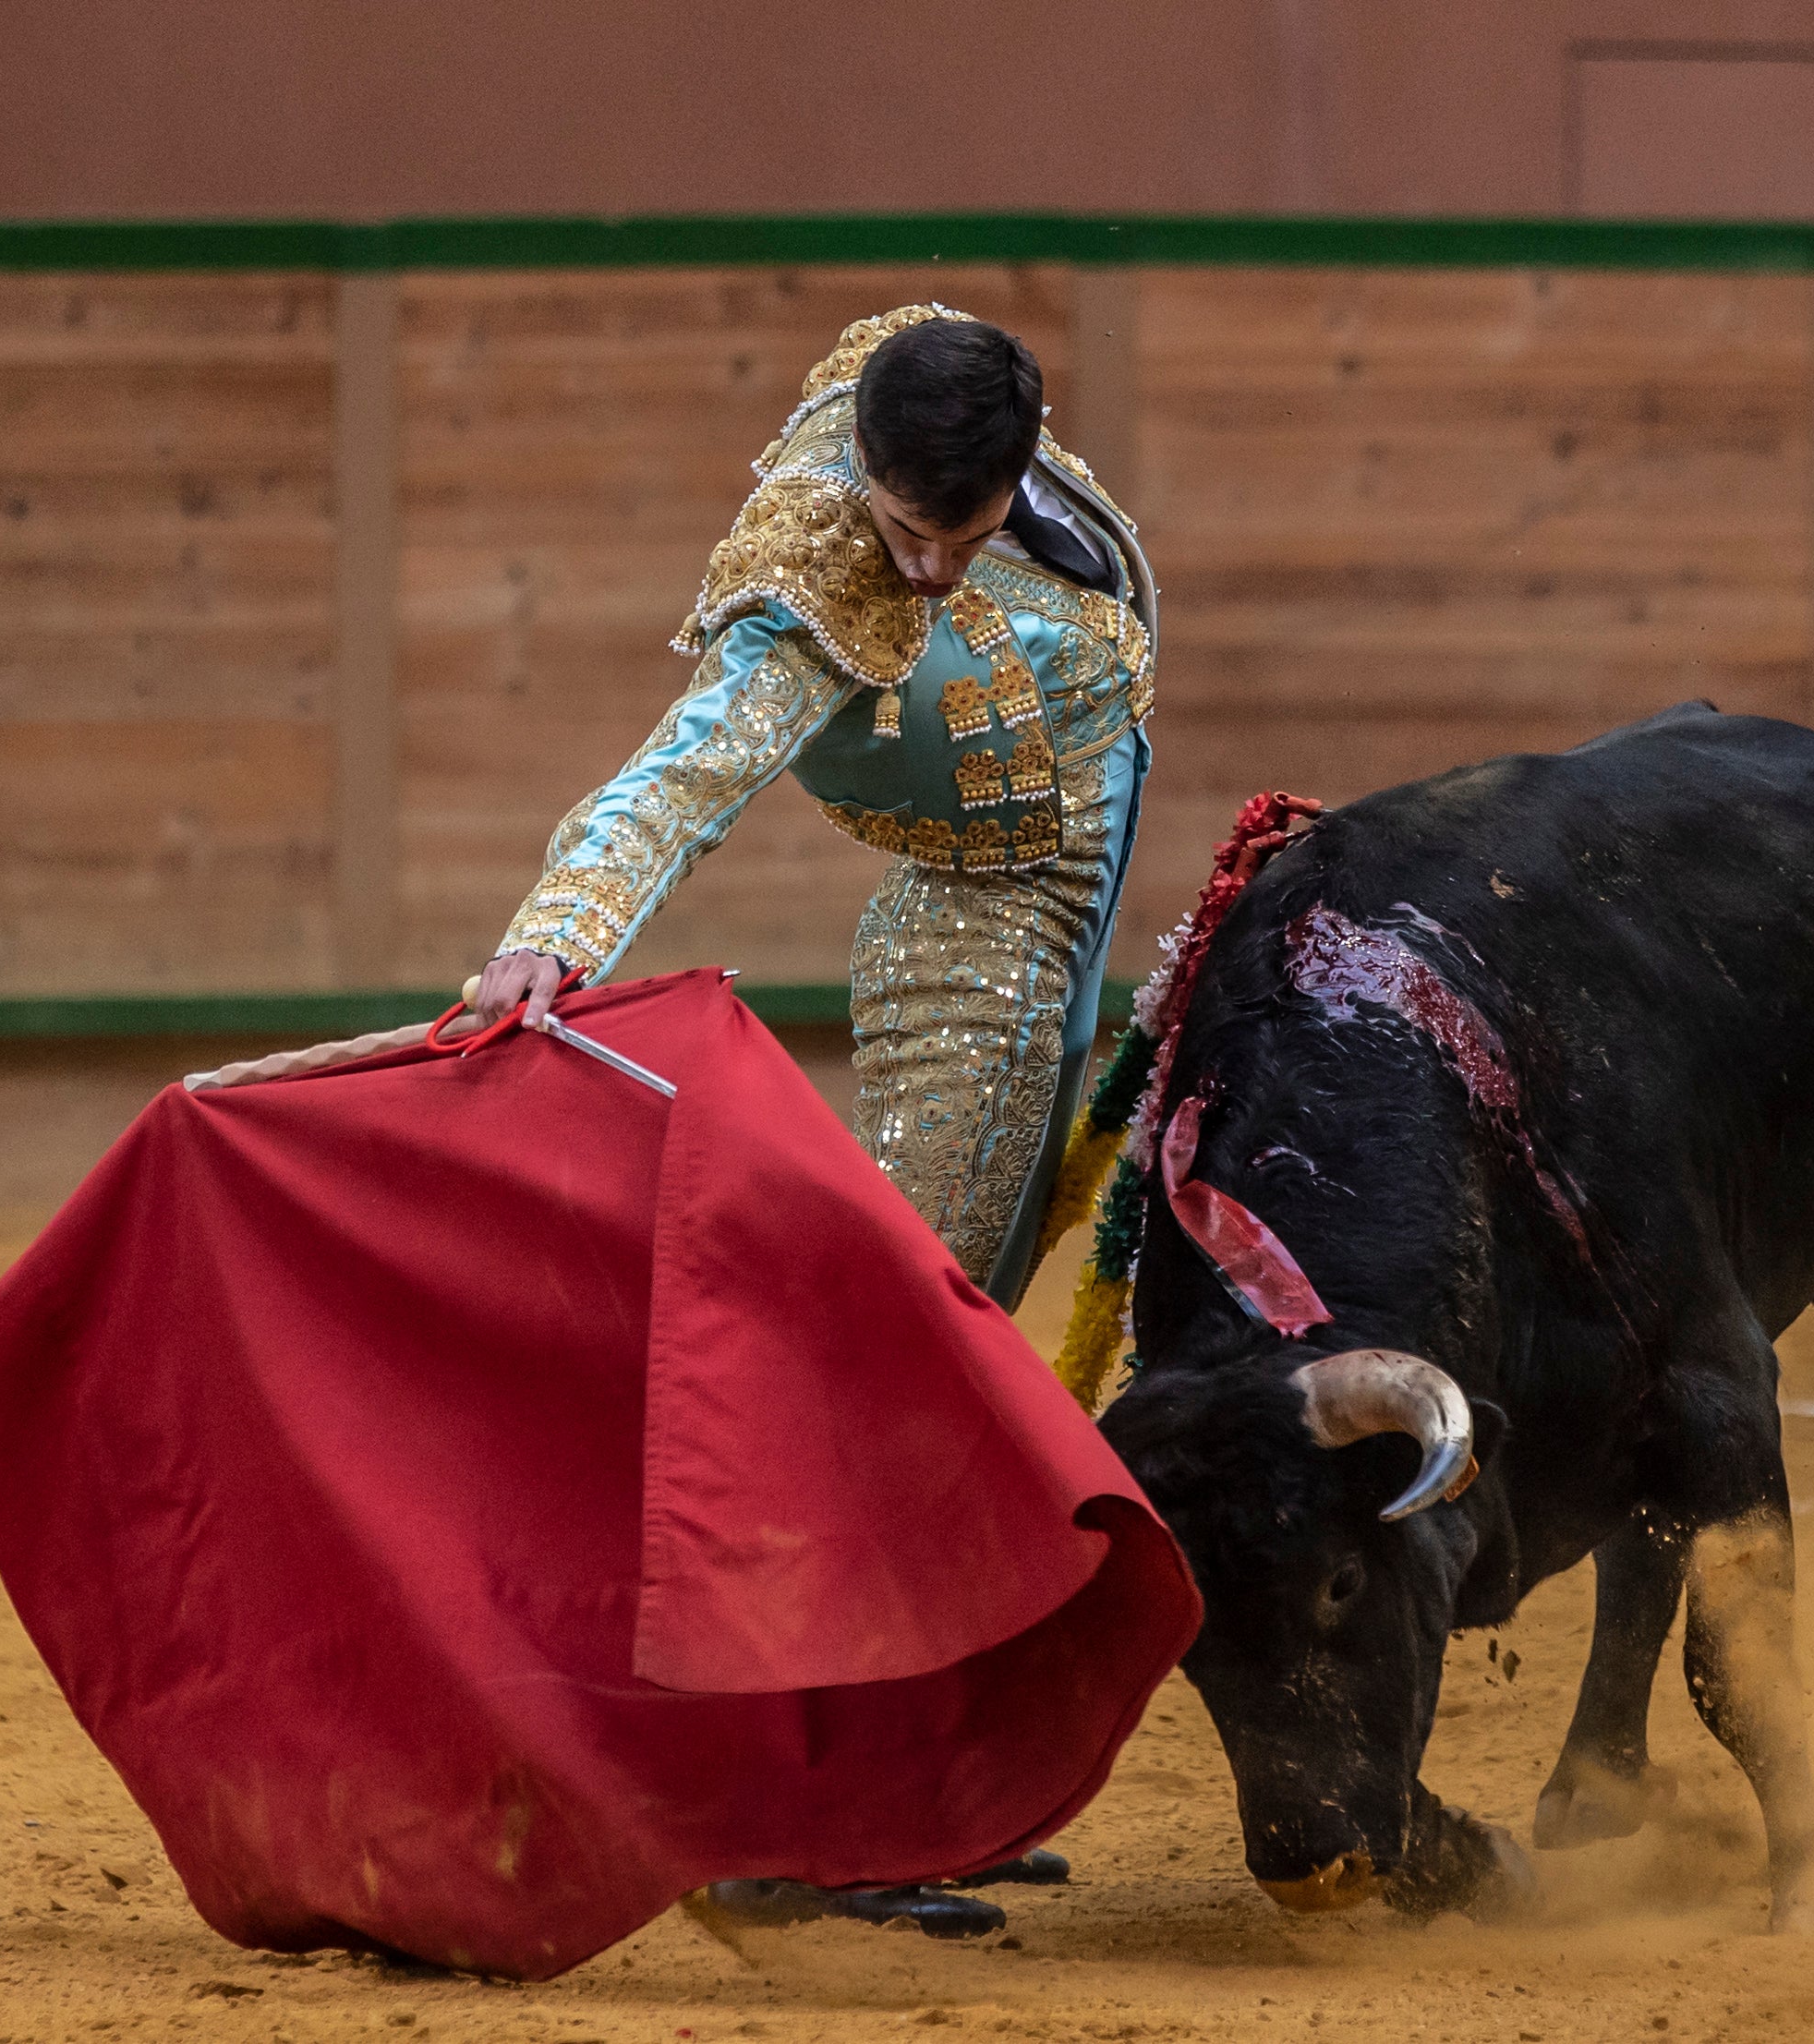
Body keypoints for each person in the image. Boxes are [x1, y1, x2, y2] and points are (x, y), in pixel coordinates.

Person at [471, 304, 1157, 1940]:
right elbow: (678, 774)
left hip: (1060, 924)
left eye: (960, 537)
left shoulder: (921, 368)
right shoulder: (815, 584)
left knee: (948, 1361)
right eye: (905, 531)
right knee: (899, 1384)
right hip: (975, 948)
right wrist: (555, 933)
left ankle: (913, 1780)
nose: (923, 570)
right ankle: (794, 1818)